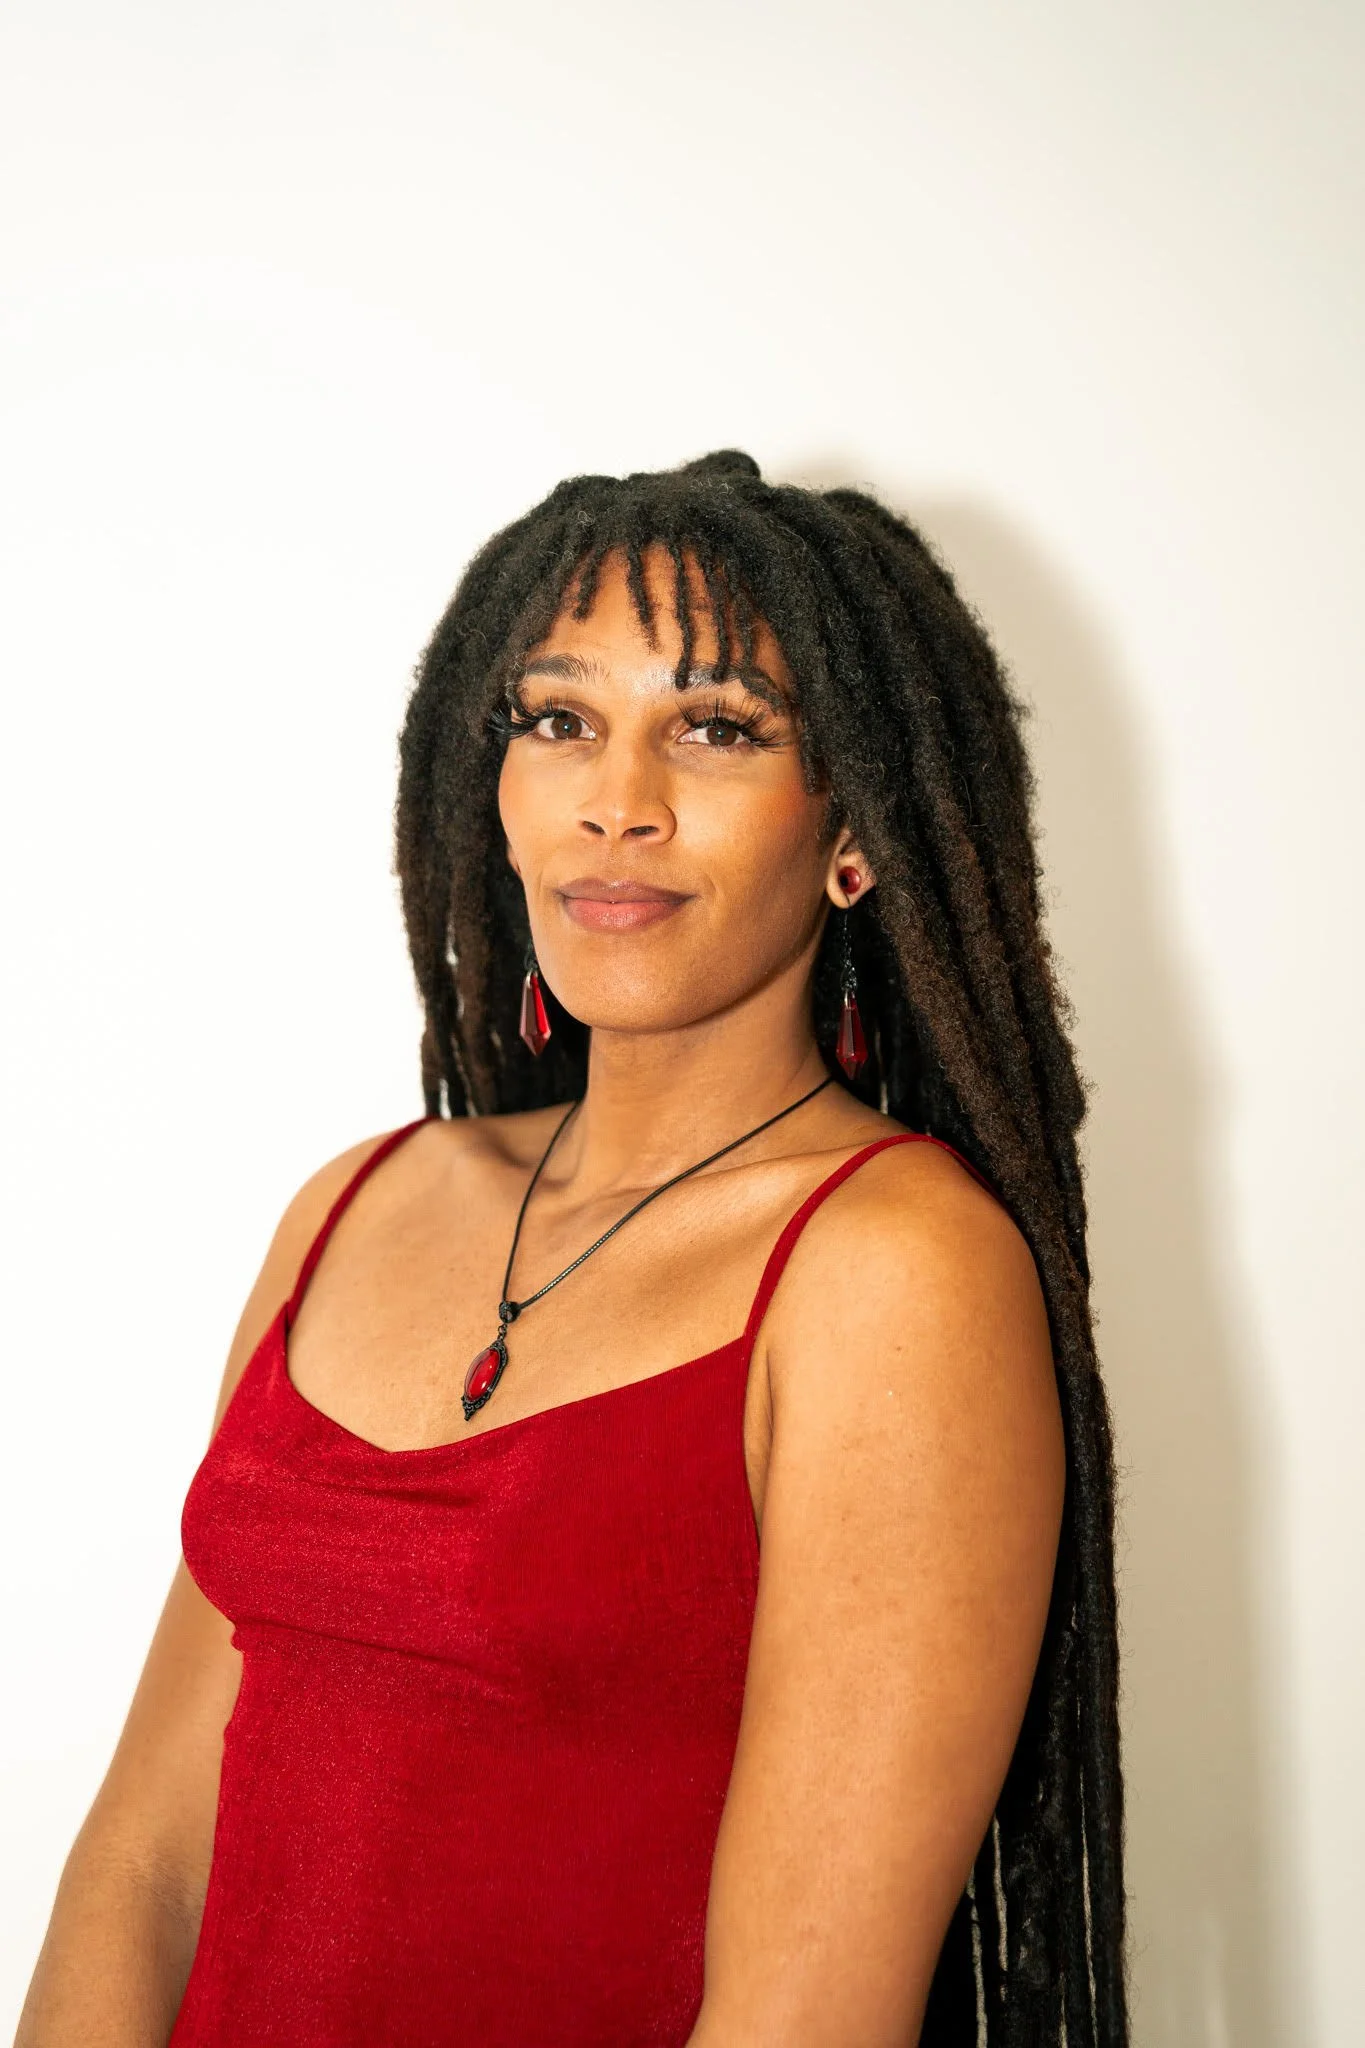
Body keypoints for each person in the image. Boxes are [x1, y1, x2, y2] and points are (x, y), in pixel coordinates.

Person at [16, 451, 1128, 2047]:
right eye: (559, 721)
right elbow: (140, 1867)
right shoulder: (356, 1204)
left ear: (856, 835)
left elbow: (800, 2016)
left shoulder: (892, 1272)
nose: (621, 797)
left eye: (719, 729)